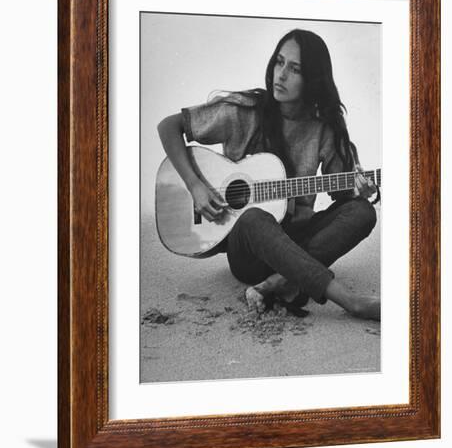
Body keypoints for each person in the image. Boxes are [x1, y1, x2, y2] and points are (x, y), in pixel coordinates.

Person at [157, 29, 380, 321]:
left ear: (313, 78)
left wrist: (359, 189)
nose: (281, 74)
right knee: (253, 217)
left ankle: (276, 283)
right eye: (279, 62)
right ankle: (351, 302)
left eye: (295, 68)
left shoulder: (324, 128)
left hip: (298, 243)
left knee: (362, 212)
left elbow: (343, 196)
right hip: (249, 253)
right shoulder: (245, 112)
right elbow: (169, 126)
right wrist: (196, 186)